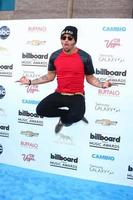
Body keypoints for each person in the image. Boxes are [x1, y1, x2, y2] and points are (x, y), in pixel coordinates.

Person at [17, 26, 111, 133]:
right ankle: (64, 116)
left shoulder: (85, 57)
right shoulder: (55, 56)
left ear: (75, 40)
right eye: (63, 37)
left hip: (76, 95)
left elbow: (90, 78)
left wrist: (102, 85)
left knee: (76, 116)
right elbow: (49, 76)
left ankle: (65, 120)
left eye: (70, 38)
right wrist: (30, 82)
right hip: (59, 94)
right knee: (40, 110)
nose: (66, 40)